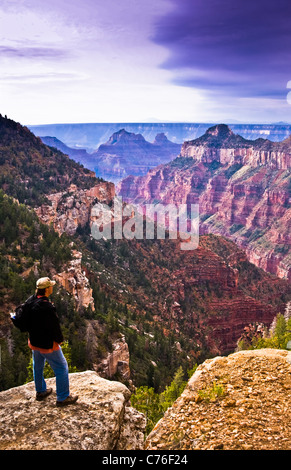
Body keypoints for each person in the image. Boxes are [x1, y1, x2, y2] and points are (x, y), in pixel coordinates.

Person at [19, 277, 78, 407]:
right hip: (47, 344)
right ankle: (62, 397)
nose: (52, 287)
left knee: (37, 365)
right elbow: (54, 327)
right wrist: (59, 340)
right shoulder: (46, 307)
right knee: (61, 367)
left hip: (34, 341)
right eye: (50, 286)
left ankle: (40, 391)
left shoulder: (31, 301)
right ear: (46, 289)